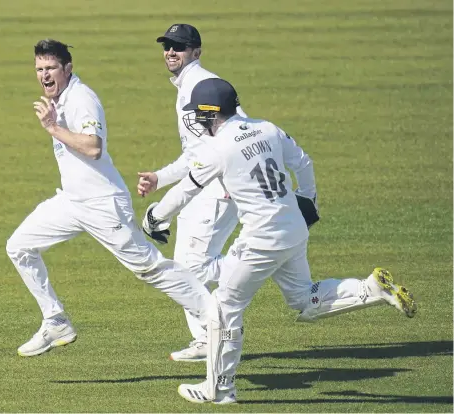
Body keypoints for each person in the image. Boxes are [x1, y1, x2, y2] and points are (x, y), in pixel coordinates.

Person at [142, 78, 418, 404]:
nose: (198, 123)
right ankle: (370, 288)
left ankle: (218, 389)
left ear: (211, 114)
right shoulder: (267, 128)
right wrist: (308, 200)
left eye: (200, 116)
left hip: (261, 240)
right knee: (304, 298)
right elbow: (303, 162)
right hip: (294, 228)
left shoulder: (218, 148)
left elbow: (185, 190)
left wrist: (154, 217)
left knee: (222, 308)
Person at [6, 39, 211, 357]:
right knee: (19, 247)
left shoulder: (81, 99)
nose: (44, 75)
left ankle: (214, 321)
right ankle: (55, 320)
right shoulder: (59, 98)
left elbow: (92, 147)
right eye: (39, 69)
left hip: (103, 204)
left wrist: (52, 127)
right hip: (72, 202)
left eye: (51, 68)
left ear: (68, 69)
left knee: (150, 269)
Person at [137, 23, 247, 363]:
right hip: (206, 185)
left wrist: (232, 180)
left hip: (217, 189)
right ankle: (207, 336)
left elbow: (239, 132)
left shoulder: (204, 85)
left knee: (189, 269)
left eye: (179, 46)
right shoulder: (188, 87)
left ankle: (256, 264)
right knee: (188, 266)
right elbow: (194, 152)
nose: (171, 51)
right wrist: (161, 177)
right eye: (167, 45)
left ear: (196, 52)